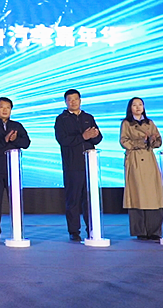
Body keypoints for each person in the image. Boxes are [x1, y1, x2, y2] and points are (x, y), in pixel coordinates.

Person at [54, 89, 102, 241]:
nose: (73, 102)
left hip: (89, 164)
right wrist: (83, 136)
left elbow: (98, 138)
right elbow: (63, 140)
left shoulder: (88, 117)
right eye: (70, 99)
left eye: (75, 99)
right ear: (66, 102)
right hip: (72, 165)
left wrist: (94, 136)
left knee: (90, 199)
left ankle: (92, 229)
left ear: (80, 100)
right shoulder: (61, 119)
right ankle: (74, 231)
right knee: (73, 199)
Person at [0, 97, 31, 243]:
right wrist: (5, 140)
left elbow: (26, 143)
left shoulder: (17, 126)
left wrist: (15, 140)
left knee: (15, 201)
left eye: (7, 107)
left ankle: (17, 231)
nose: (5, 110)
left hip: (13, 169)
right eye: (2, 107)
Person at [120, 97, 163, 241]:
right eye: (134, 105)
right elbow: (124, 141)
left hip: (149, 159)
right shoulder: (126, 123)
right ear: (130, 108)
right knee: (137, 193)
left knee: (153, 194)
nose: (138, 107)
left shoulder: (149, 123)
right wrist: (140, 141)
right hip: (135, 159)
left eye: (140, 104)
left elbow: (159, 141)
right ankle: (140, 230)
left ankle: (154, 230)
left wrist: (152, 140)